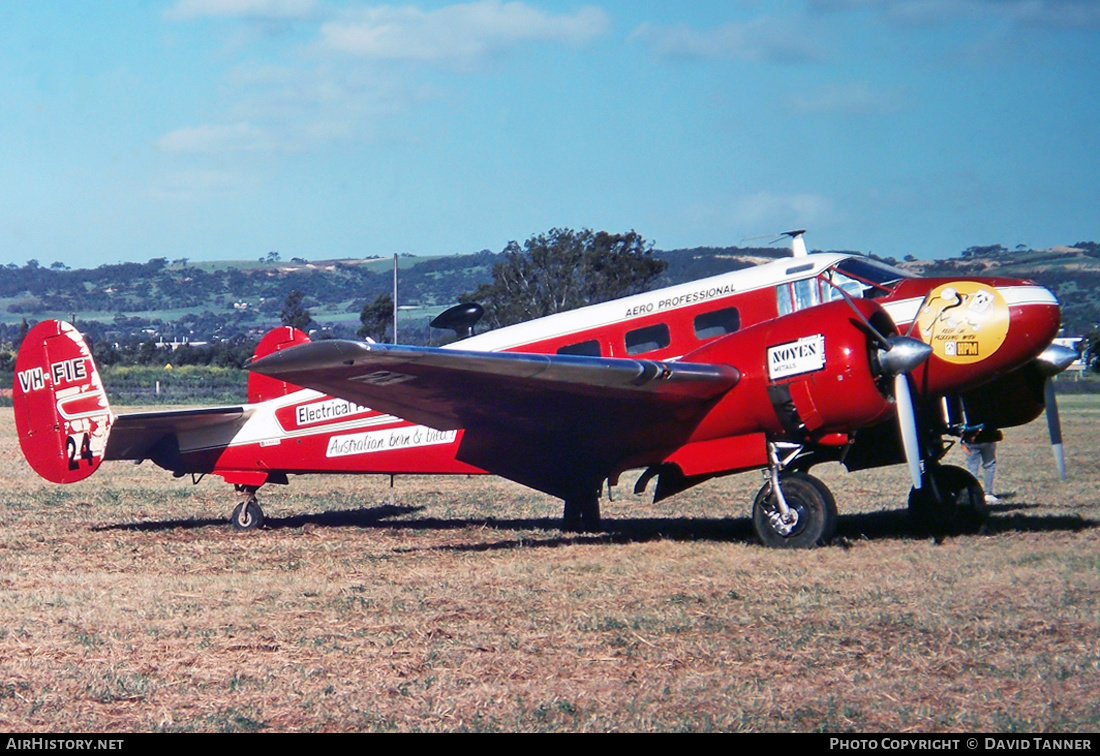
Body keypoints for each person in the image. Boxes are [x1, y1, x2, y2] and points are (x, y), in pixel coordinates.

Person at [961, 424, 1003, 504]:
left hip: (970, 439)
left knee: (972, 468)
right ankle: (988, 493)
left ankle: (972, 493)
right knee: (989, 465)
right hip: (988, 438)